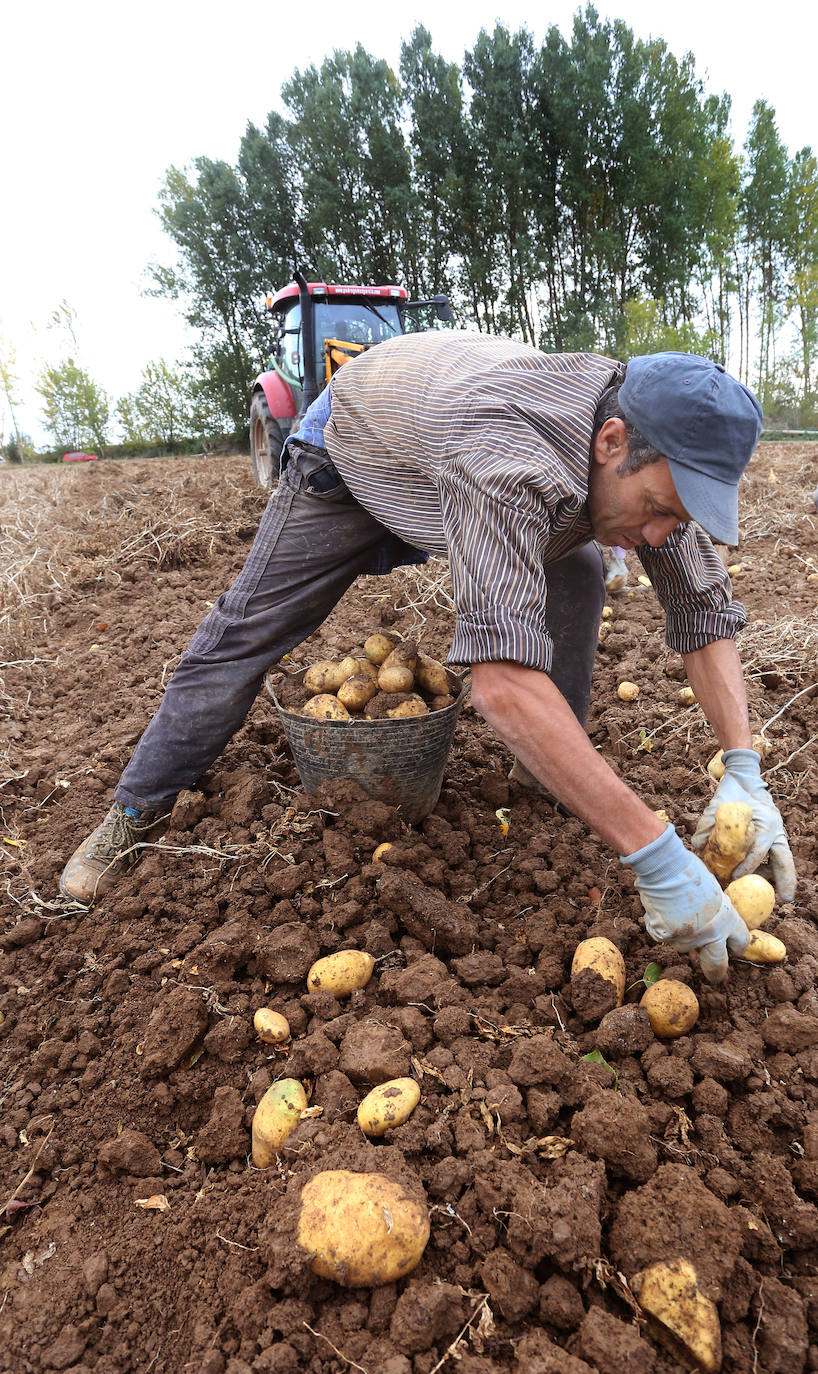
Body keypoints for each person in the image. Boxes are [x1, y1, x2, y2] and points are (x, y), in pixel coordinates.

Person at [60, 337, 796, 982]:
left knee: (574, 570)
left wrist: (743, 768)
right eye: (662, 506)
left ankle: (549, 775)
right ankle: (135, 809)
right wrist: (656, 854)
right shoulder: (510, 458)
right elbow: (501, 687)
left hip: (459, 443)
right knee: (248, 629)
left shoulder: (656, 444)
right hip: (360, 451)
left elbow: (703, 612)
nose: (667, 533)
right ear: (611, 442)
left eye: (683, 515)